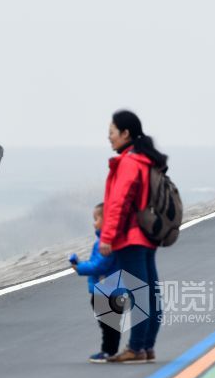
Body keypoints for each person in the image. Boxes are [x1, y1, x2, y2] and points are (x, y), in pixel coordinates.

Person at [100, 110, 164, 364]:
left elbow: (118, 203)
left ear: (126, 133)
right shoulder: (145, 160)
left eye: (112, 133)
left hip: (130, 237)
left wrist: (107, 237)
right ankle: (146, 347)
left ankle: (136, 348)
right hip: (147, 235)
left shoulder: (129, 162)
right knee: (150, 293)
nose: (109, 138)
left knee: (139, 293)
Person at [69, 203, 121, 362]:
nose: (94, 222)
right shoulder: (102, 242)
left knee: (108, 325)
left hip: (106, 289)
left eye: (97, 219)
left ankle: (108, 352)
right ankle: (109, 351)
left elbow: (100, 265)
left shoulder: (104, 243)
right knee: (108, 324)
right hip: (107, 288)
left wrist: (80, 267)